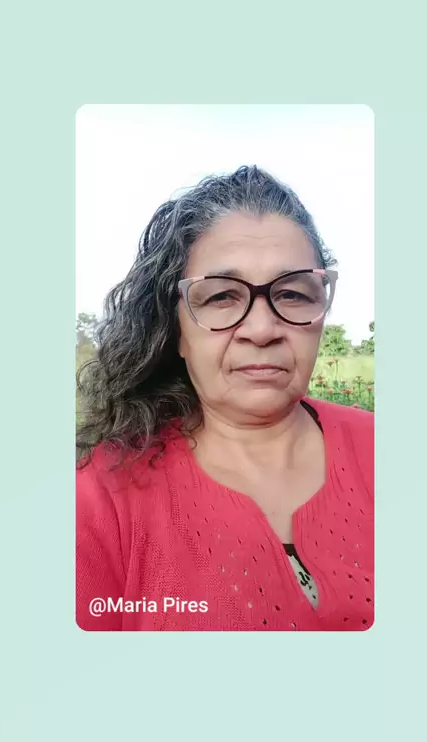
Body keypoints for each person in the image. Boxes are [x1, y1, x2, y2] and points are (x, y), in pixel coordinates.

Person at [76, 165, 374, 631]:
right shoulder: (97, 499)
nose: (262, 329)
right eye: (220, 298)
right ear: (174, 329)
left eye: (293, 294)